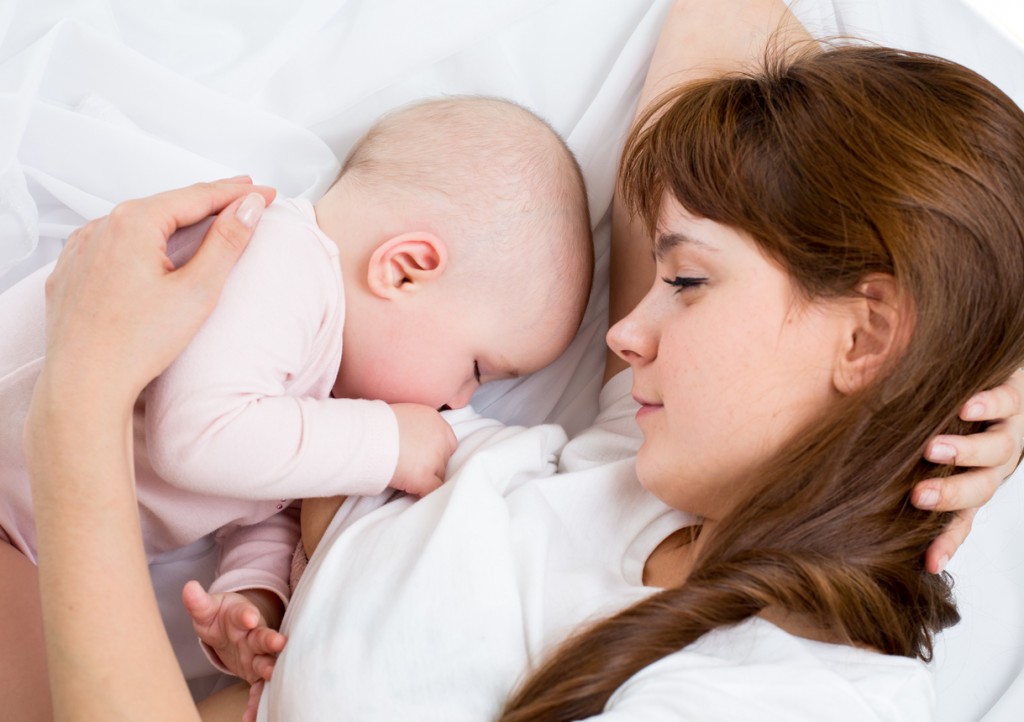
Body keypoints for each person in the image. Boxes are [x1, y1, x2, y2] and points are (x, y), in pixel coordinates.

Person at [23, 2, 1024, 722]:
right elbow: (721, 20)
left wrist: (82, 397)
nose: (624, 333)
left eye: (686, 283)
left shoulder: (790, 693)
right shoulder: (642, 465)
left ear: (860, 334)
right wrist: (972, 356)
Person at [1, 96, 593, 717]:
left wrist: (250, 598)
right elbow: (197, 435)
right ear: (404, 270)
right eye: (477, 370)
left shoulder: (317, 385)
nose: (459, 402)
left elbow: (254, 501)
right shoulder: (283, 259)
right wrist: (384, 441)